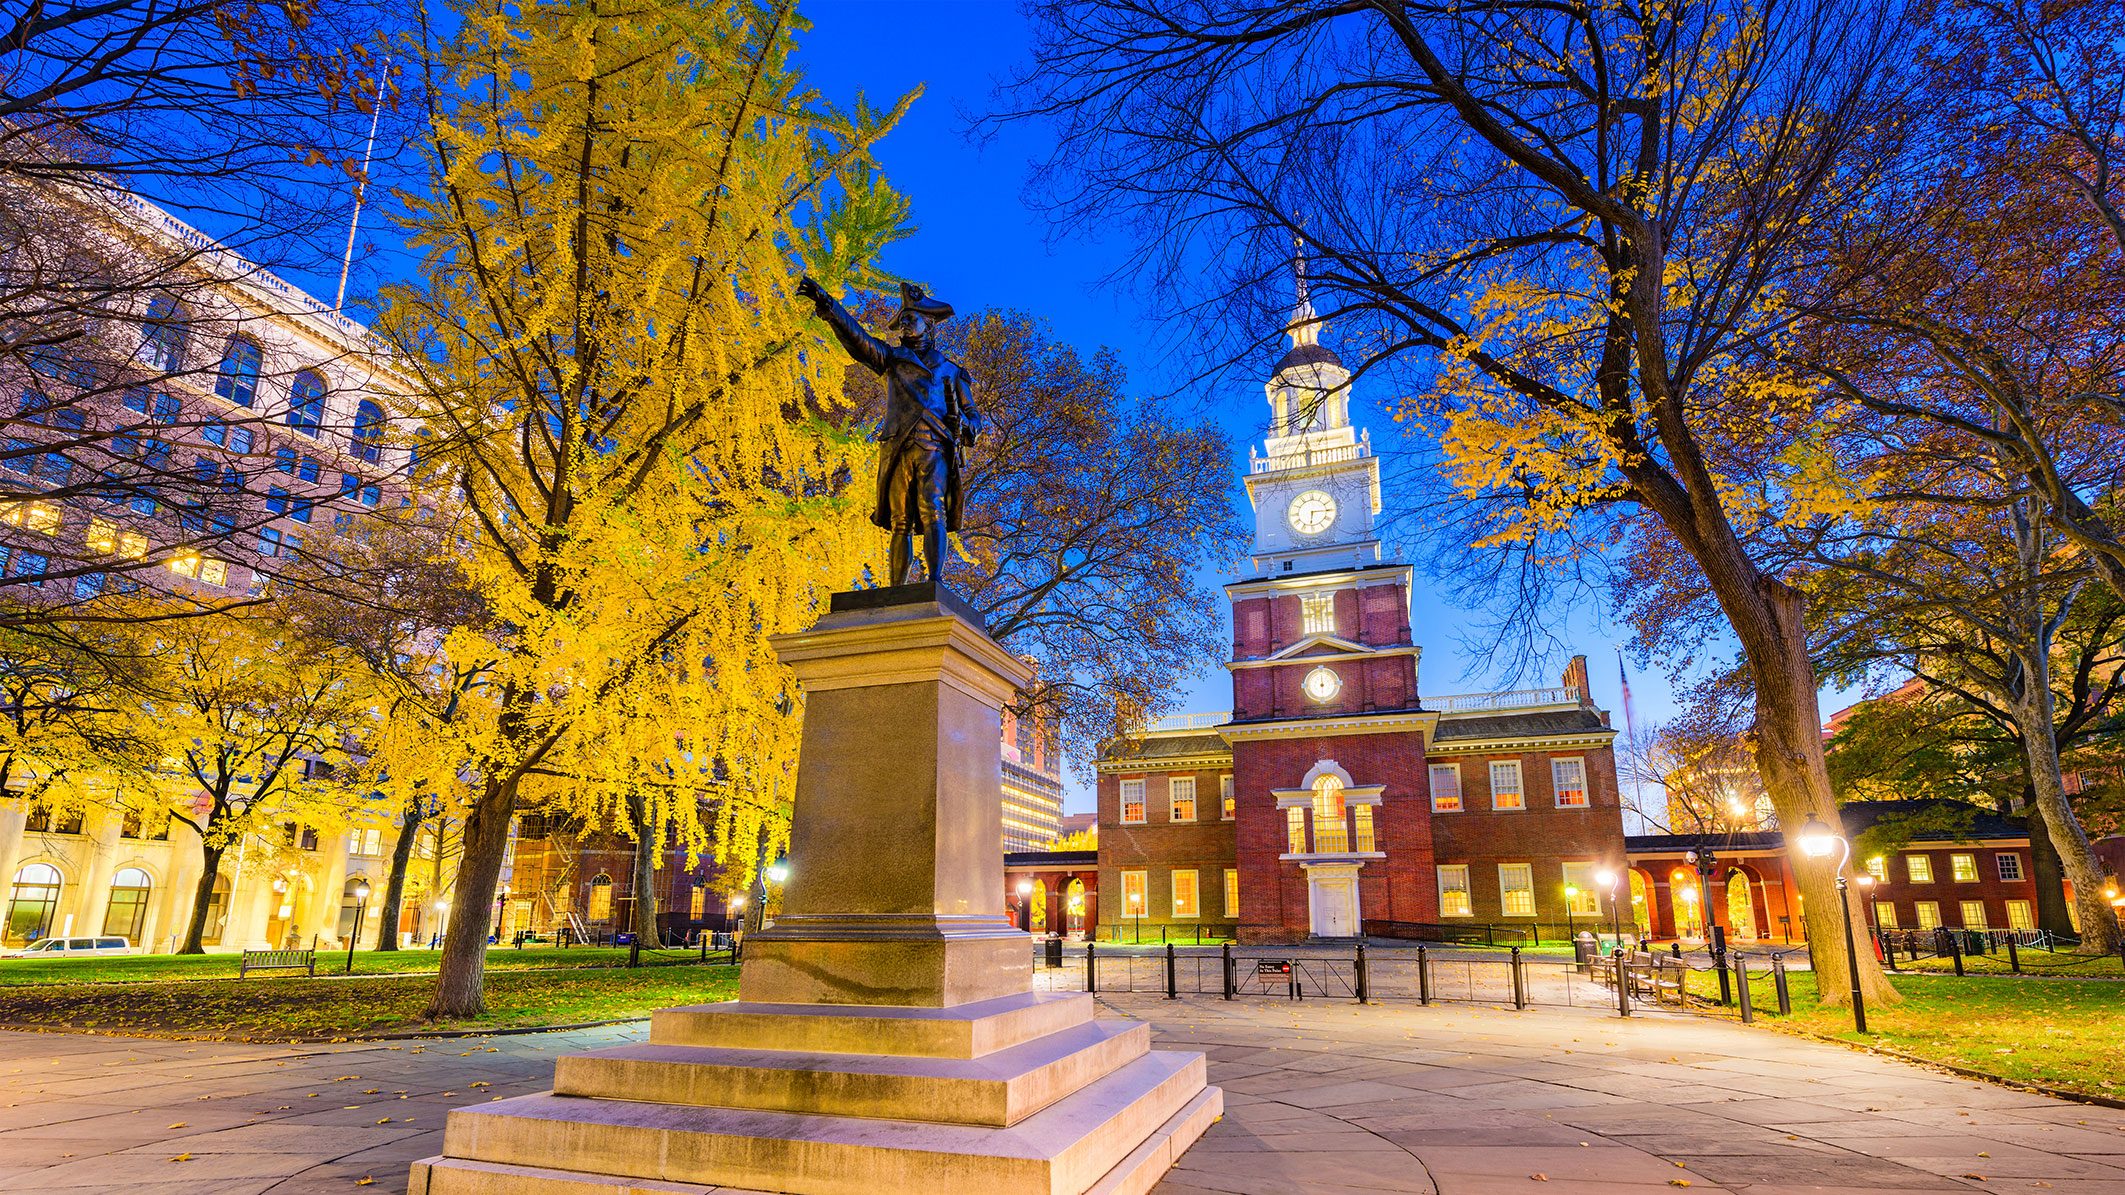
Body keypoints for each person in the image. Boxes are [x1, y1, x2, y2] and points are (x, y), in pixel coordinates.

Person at [796, 277, 983, 586]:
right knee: (901, 522)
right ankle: (897, 588)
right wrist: (828, 305)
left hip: (935, 446)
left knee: (932, 507)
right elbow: (858, 339)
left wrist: (965, 426)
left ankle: (934, 583)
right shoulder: (891, 359)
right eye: (902, 322)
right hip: (898, 446)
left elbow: (973, 415)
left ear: (928, 323)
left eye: (911, 319)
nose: (905, 326)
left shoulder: (951, 369)